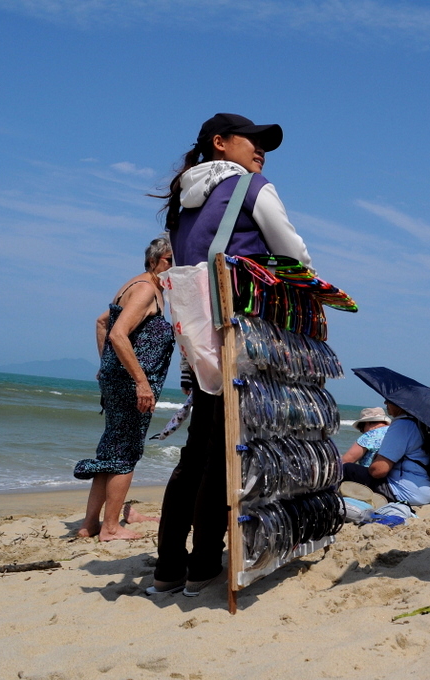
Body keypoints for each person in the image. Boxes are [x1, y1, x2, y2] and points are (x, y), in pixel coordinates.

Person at [147, 113, 313, 596]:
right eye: (252, 140)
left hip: (198, 343)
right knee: (226, 454)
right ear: (220, 143)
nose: (261, 151)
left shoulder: (182, 202)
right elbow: (296, 256)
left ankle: (168, 569)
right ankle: (202, 567)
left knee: (196, 453)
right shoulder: (252, 187)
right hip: (242, 337)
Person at [75, 236, 175, 541]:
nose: (175, 266)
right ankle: (110, 528)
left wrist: (107, 365)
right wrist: (141, 382)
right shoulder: (146, 290)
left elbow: (101, 322)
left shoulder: (136, 286)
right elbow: (118, 333)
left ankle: (90, 524)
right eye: (170, 260)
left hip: (119, 379)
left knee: (111, 450)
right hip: (132, 384)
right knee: (126, 452)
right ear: (154, 261)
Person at [341, 401, 430, 507]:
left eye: (389, 399)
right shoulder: (425, 426)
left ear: (368, 423)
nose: (385, 402)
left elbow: (377, 471)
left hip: (411, 494)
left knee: (347, 469)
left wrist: (375, 461)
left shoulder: (401, 426)